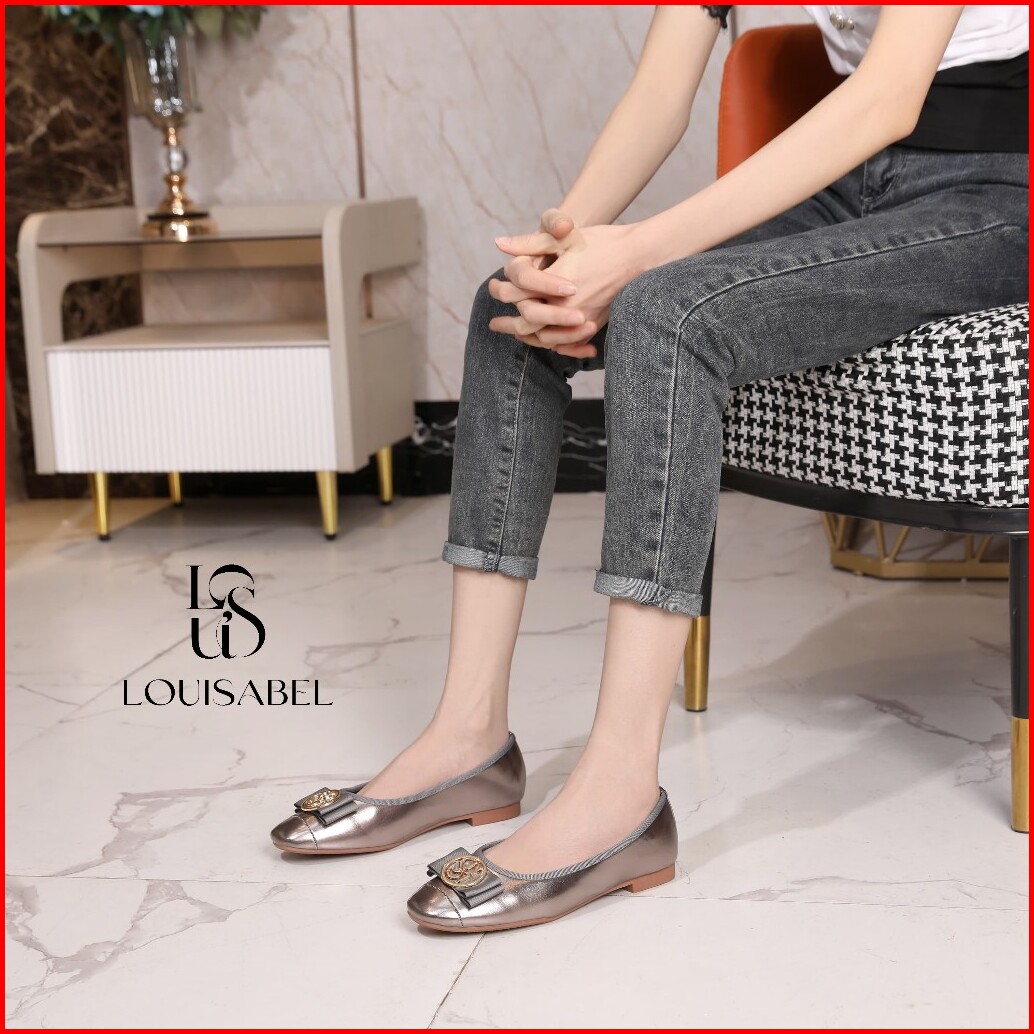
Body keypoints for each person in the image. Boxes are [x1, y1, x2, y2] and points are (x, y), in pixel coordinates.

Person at [271, 5, 1029, 933]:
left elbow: (886, 98)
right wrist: (564, 249)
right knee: (512, 312)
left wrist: (638, 252)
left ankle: (620, 794)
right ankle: (468, 739)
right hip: (844, 186)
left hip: (990, 188)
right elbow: (662, 91)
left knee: (665, 315)